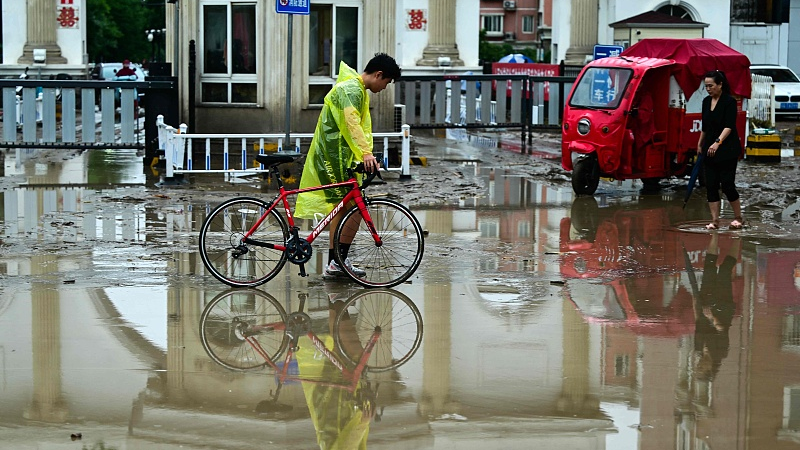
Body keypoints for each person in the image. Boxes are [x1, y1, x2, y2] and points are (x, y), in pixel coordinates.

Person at [294, 53, 401, 279]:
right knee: (351, 207)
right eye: (387, 82)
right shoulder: (352, 90)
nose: (385, 87)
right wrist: (366, 153)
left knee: (344, 208)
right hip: (333, 157)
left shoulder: (355, 88)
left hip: (338, 155)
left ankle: (337, 262)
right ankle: (336, 261)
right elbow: (352, 123)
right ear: (378, 75)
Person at [697, 70, 743, 230]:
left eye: (711, 86)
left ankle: (738, 217)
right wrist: (700, 144)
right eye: (706, 86)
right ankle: (714, 220)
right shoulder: (705, 102)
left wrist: (718, 142)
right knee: (711, 185)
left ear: (720, 84)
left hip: (727, 149)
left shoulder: (729, 102)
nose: (708, 89)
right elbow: (705, 126)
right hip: (709, 149)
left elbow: (729, 126)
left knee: (727, 184)